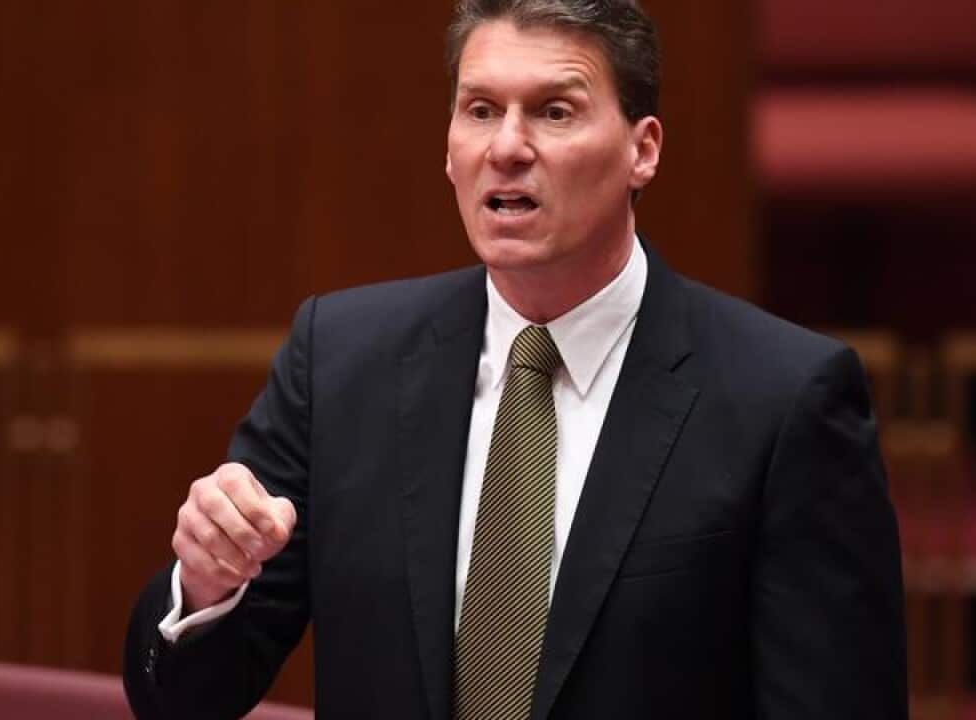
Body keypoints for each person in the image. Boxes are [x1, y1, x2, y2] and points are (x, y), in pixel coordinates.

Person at [123, 1, 908, 718]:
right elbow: (183, 701)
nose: (507, 147)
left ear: (644, 150)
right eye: (480, 110)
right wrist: (205, 586)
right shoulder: (341, 362)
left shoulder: (783, 399)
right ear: (449, 150)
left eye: (554, 111)